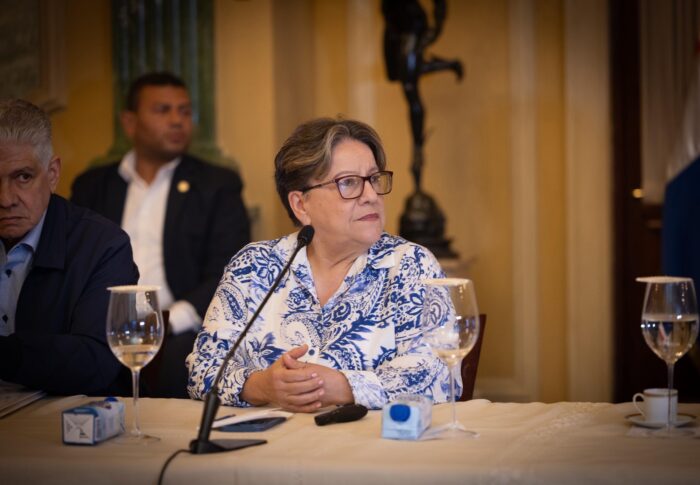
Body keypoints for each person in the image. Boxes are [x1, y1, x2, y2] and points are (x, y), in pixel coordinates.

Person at [187, 118, 453, 412]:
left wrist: (342, 386)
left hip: (371, 439)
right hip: (271, 438)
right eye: (348, 182)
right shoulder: (252, 266)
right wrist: (262, 386)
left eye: (374, 179)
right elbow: (202, 369)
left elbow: (440, 373)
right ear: (301, 205)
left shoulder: (411, 265)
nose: (371, 196)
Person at [71, 72, 250, 397]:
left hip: (179, 327)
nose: (177, 121)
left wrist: (165, 323)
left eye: (185, 111)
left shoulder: (217, 184)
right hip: (101, 324)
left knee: (179, 365)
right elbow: (75, 264)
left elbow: (230, 269)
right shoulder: (92, 186)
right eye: (163, 110)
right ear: (129, 122)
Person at [0, 98, 139, 395]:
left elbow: (95, 362)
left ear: (52, 174)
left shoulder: (104, 245)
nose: (5, 199)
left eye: (23, 177)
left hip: (66, 415)